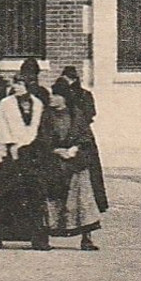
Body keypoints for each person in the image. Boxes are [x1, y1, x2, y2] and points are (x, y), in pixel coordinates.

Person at [0, 76, 49, 250]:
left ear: (27, 85)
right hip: (11, 154)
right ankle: (0, 235)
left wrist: (32, 146)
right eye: (15, 84)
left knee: (34, 194)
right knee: (7, 193)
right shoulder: (6, 104)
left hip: (31, 154)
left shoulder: (37, 104)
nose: (17, 87)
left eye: (20, 84)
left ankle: (36, 237)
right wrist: (10, 144)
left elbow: (39, 127)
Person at [38, 92, 102, 250]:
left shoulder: (76, 115)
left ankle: (86, 239)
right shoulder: (45, 116)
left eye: (56, 94)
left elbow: (86, 137)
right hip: (53, 164)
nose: (52, 97)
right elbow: (41, 138)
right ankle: (44, 238)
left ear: (65, 98)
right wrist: (55, 150)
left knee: (82, 201)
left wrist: (75, 149)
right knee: (50, 201)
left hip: (76, 164)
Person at [51, 66, 109, 213]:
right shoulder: (64, 95)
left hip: (81, 136)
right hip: (70, 137)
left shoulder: (84, 95)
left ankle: (96, 202)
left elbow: (90, 114)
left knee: (89, 173)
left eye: (69, 79)